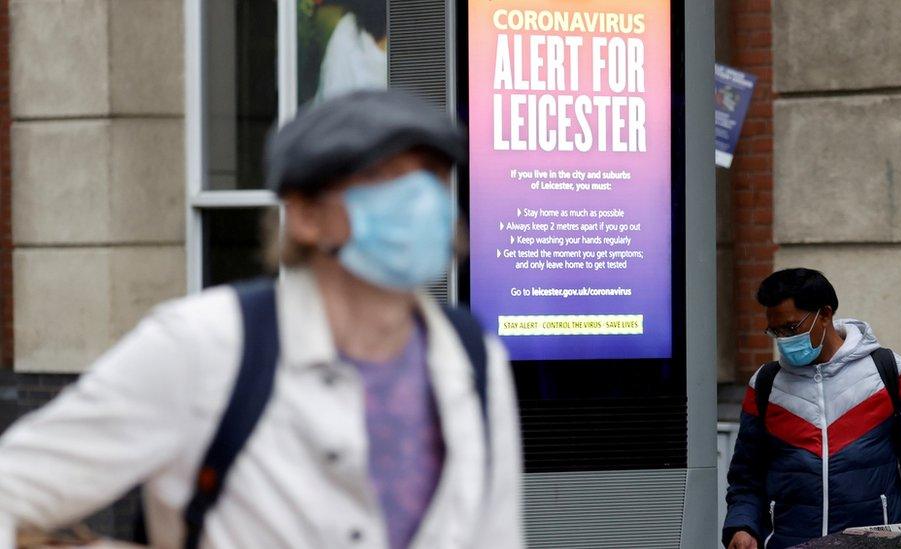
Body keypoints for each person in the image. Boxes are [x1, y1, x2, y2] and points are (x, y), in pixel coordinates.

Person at [0, 89, 524, 549]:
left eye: (431, 176)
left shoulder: (473, 358)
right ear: (304, 215)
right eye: (379, 177)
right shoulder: (205, 345)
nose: (420, 202)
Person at [724, 268, 901, 549]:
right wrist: (743, 526)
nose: (784, 340)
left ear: (825, 314)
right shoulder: (766, 385)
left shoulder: (889, 372)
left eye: (791, 328)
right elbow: (746, 475)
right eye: (776, 331)